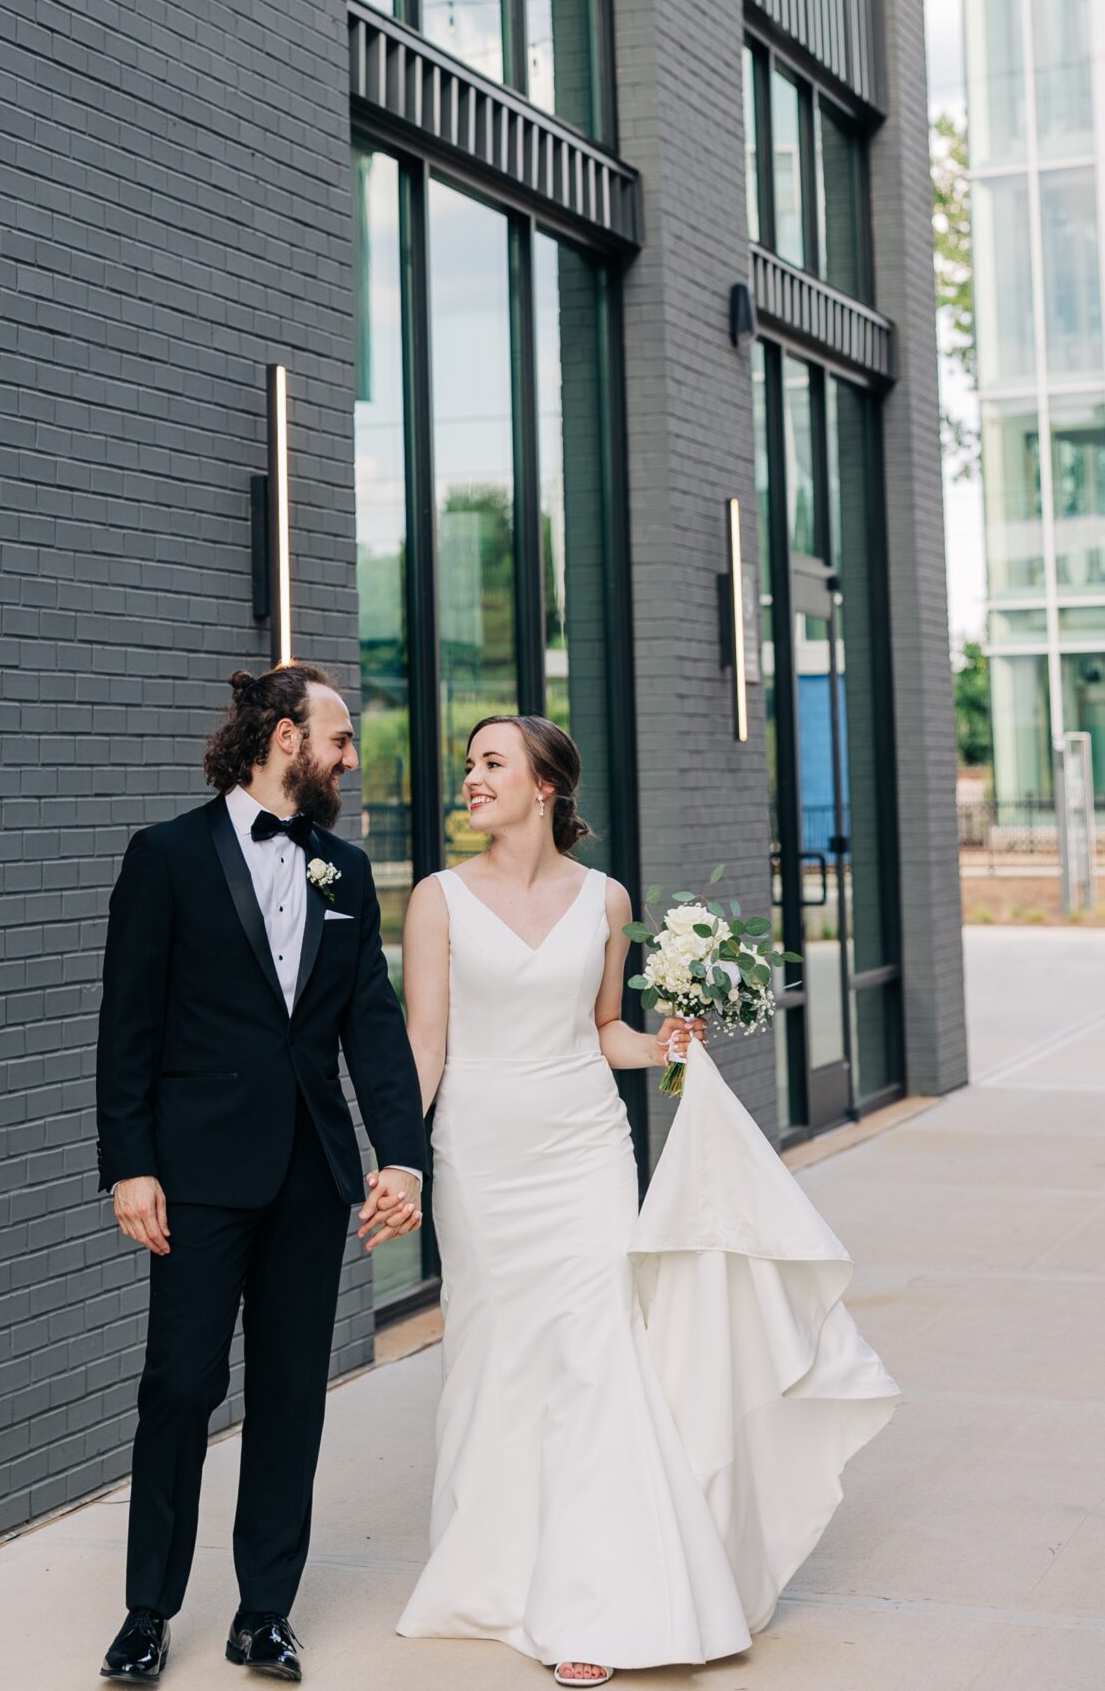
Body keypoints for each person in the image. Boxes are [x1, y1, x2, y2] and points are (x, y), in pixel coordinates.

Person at [395, 714, 897, 1684]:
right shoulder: (435, 900)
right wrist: (395, 1158)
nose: (470, 778)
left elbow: (600, 1030)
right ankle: (491, 1572)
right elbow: (425, 1041)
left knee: (594, 1361)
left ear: (545, 785)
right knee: (495, 1355)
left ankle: (597, 1605)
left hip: (584, 1148)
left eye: (490, 763)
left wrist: (665, 1041)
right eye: (467, 765)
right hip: (481, 1151)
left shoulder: (607, 901)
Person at [96, 664, 426, 1685]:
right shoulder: (164, 859)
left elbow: (370, 1026)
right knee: (178, 1385)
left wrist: (400, 1153)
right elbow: (126, 1031)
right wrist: (129, 1166)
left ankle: (264, 1612)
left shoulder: (344, 871)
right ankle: (146, 1612)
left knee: (290, 1393)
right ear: (285, 737)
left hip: (307, 1174)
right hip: (193, 1175)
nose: (347, 756)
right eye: (335, 737)